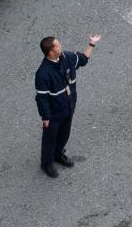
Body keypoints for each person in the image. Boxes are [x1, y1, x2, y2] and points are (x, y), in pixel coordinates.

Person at [34, 34, 101, 178]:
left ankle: (58, 154)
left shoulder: (67, 57)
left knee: (64, 134)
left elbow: (82, 60)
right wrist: (45, 118)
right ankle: (46, 163)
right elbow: (42, 98)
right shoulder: (43, 74)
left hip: (69, 107)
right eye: (57, 46)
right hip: (54, 114)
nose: (60, 46)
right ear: (51, 52)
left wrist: (91, 44)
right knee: (49, 139)